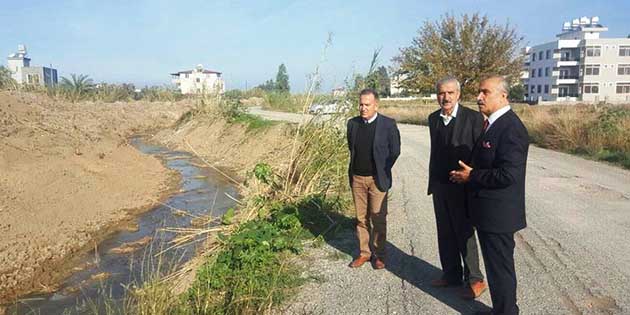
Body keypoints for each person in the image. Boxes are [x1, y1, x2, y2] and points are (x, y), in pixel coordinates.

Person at [450, 76, 529, 315]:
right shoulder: (492, 124)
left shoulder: (511, 128)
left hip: (499, 215)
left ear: (503, 96)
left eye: (486, 92)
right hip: (488, 214)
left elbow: (508, 175)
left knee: (500, 269)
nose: (479, 97)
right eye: (478, 92)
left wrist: (472, 176)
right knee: (496, 269)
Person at [427, 76, 487, 299]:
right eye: (442, 93)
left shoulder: (473, 118)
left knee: (464, 233)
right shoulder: (433, 118)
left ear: (458, 95)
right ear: (437, 95)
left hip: (463, 187)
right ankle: (451, 274)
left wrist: (472, 177)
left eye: (450, 93)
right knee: (445, 232)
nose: (446, 97)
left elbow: (481, 155)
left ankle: (475, 279)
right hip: (440, 186)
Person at [346, 88, 400, 269]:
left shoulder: (388, 124)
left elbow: (395, 151)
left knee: (378, 219)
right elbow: (351, 148)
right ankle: (364, 253)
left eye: (367, 105)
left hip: (377, 180)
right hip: (358, 179)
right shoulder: (352, 124)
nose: (363, 108)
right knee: (361, 219)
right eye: (361, 104)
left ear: (376, 105)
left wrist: (382, 169)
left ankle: (380, 255)